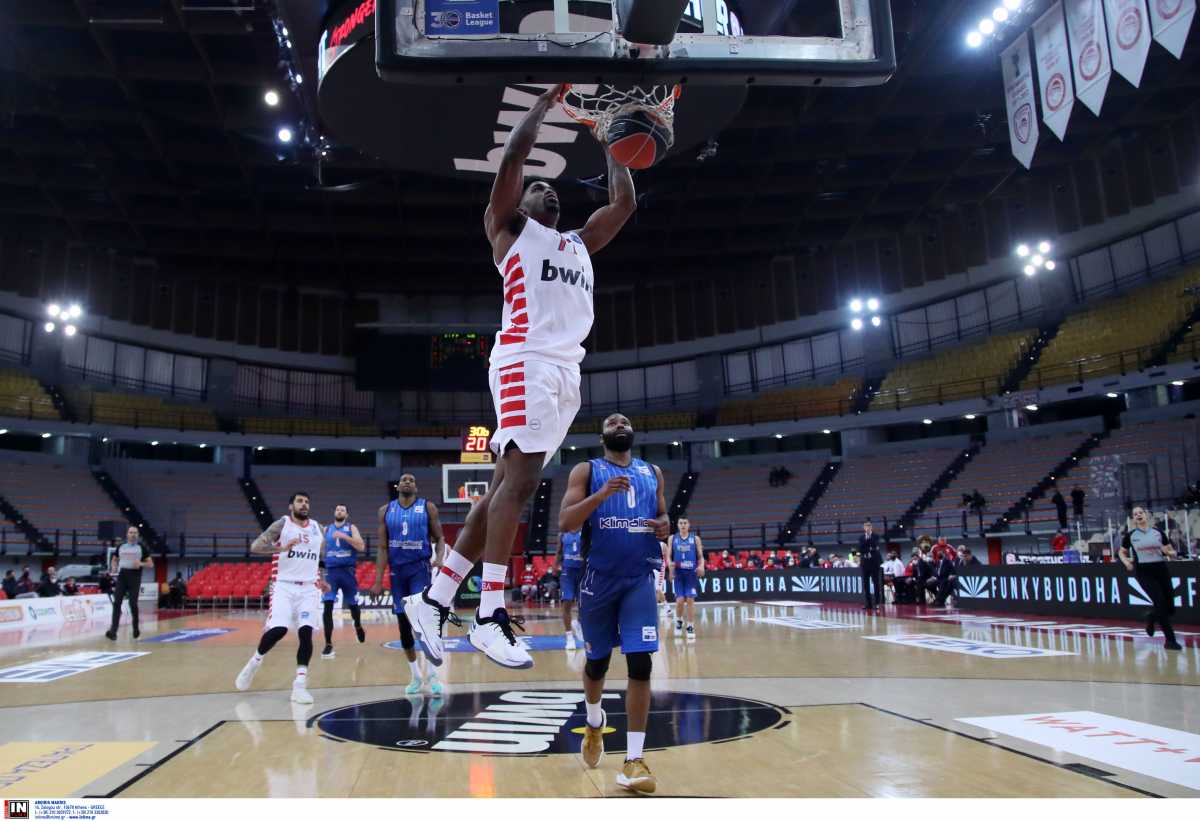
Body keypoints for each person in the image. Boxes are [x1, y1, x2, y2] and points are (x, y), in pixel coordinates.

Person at [402, 83, 637, 672]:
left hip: (565, 371)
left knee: (506, 486)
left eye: (552, 187)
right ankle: (488, 614)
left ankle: (432, 601)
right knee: (523, 483)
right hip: (524, 360)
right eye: (537, 187)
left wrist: (613, 139)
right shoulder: (508, 233)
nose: (546, 188)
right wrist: (543, 108)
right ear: (518, 205)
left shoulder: (580, 243)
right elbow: (512, 161)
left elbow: (624, 203)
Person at [558, 413, 669, 794]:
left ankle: (634, 759)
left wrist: (666, 523)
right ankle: (593, 723)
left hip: (639, 578)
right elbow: (566, 522)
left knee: (641, 662)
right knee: (597, 663)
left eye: (625, 421)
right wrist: (601, 496)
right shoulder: (586, 471)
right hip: (598, 582)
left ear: (632, 431)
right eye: (612, 421)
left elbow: (662, 514)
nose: (620, 423)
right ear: (603, 434)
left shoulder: (652, 471)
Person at [236, 493, 328, 704]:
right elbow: (256, 547)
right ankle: (254, 662)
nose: (304, 504)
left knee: (306, 632)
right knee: (279, 629)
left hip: (309, 589)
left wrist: (322, 579)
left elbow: (318, 559)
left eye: (307, 501)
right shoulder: (282, 524)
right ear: (291, 506)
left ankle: (299, 685)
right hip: (284, 586)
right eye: (300, 501)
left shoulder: (318, 528)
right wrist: (279, 548)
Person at [371, 474, 446, 695]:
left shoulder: (427, 508)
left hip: (419, 569)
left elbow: (439, 538)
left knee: (423, 622)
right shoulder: (385, 511)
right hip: (397, 573)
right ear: (398, 486)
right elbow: (382, 548)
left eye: (412, 479)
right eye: (404, 479)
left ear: (415, 486)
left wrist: (440, 558)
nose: (407, 481)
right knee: (404, 626)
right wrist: (377, 580)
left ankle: (433, 674)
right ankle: (415, 675)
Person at [1119, 506, 1181, 651]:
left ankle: (1152, 616)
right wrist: (1127, 562)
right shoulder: (1131, 535)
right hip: (1144, 572)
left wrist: (1170, 553)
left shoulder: (1158, 533)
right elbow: (1121, 552)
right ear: (1133, 519)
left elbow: (1171, 551)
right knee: (1160, 603)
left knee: (1170, 608)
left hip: (1161, 569)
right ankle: (1170, 640)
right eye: (1135, 514)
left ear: (1146, 515)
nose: (1138, 515)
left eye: (1140, 513)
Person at [319, 504, 367, 660]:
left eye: (342, 510)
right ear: (334, 512)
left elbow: (361, 546)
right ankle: (328, 644)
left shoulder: (351, 528)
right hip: (331, 573)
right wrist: (319, 571)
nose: (339, 511)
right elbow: (320, 550)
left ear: (346, 514)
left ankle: (358, 625)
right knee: (327, 607)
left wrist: (344, 536)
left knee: (353, 606)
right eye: (337, 509)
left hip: (347, 572)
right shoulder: (326, 530)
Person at [106, 527, 153, 640]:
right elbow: (114, 558)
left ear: (138, 535)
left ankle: (135, 628)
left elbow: (151, 564)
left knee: (133, 603)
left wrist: (141, 564)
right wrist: (113, 566)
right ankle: (113, 631)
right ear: (127, 534)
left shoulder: (141, 547)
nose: (133, 535)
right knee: (117, 602)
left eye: (135, 533)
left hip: (135, 576)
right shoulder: (121, 546)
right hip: (122, 575)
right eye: (131, 532)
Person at [667, 517, 704, 639]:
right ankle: (678, 621)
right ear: (678, 525)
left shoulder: (695, 539)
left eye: (685, 523)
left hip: (691, 574)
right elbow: (668, 557)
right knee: (679, 601)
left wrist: (701, 566)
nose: (683, 525)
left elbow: (700, 557)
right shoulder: (672, 538)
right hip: (678, 573)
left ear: (689, 524)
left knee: (690, 600)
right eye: (681, 523)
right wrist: (670, 568)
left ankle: (690, 625)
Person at [555, 529, 585, 650]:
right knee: (567, 602)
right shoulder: (562, 533)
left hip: (582, 571)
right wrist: (555, 565)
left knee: (584, 603)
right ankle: (569, 637)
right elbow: (558, 552)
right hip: (567, 572)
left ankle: (578, 623)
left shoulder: (586, 530)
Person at [858, 520, 883, 611]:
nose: (867, 528)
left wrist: (869, 542)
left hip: (874, 562)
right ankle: (868, 603)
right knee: (865, 584)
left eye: (869, 526)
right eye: (866, 526)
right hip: (865, 562)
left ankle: (877, 603)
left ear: (871, 527)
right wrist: (869, 547)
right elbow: (860, 548)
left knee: (876, 583)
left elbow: (875, 545)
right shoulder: (861, 537)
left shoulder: (875, 536)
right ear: (864, 528)